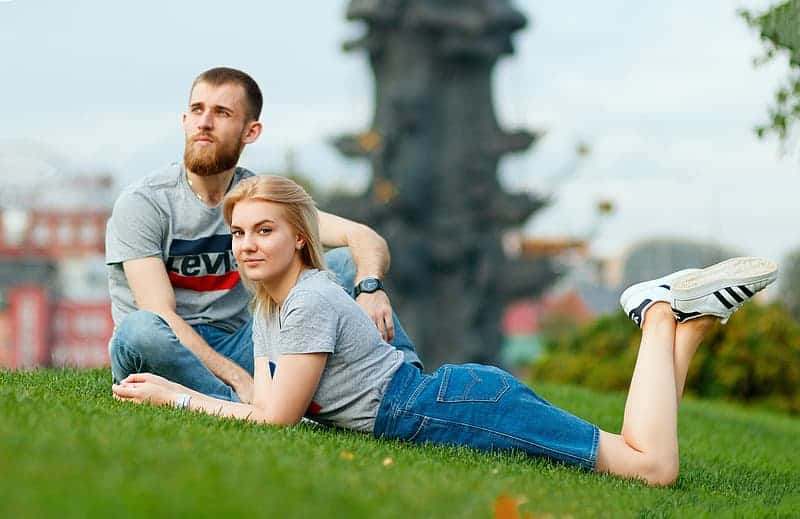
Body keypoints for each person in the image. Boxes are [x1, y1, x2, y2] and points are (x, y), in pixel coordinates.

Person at [113, 176, 778, 486]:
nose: (247, 245)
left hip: (453, 408)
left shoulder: (310, 299)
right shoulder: (269, 305)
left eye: (264, 231)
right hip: (442, 400)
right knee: (634, 450)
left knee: (650, 466)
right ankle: (687, 320)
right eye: (238, 233)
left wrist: (176, 396)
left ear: (300, 238)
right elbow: (264, 403)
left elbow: (275, 420)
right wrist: (207, 395)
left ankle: (657, 312)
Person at [106, 67, 421, 404]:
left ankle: (406, 387)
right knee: (141, 330)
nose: (205, 122)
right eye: (197, 110)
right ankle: (241, 405)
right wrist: (240, 378)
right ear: (185, 120)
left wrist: (369, 286)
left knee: (344, 262)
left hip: (240, 341)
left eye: (222, 113)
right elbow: (161, 314)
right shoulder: (144, 202)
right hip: (164, 346)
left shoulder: (255, 198)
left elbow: (363, 237)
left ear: (250, 131)